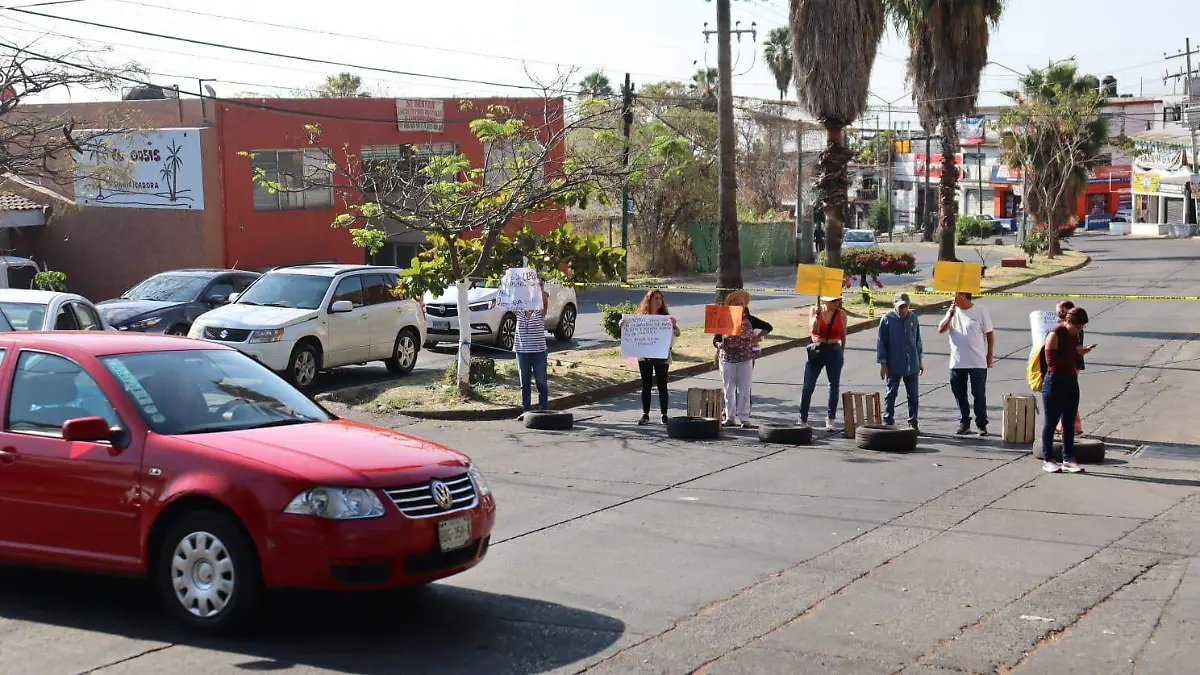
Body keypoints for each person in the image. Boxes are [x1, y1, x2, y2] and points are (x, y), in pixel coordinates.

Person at [1041, 306, 1094, 474]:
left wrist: (1080, 353)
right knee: (1051, 422)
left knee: (1069, 422)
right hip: (1054, 381)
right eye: (1078, 327)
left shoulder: (1075, 335)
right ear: (1068, 321)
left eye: (1082, 328)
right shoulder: (1054, 334)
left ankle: (1068, 458)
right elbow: (1052, 362)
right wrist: (1076, 353)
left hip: (1071, 379)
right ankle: (1048, 459)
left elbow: (1072, 356)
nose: (1079, 331)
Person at [937, 292, 995, 436]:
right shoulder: (952, 312)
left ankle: (981, 424)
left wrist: (989, 354)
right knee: (959, 394)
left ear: (962, 295)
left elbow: (989, 334)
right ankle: (964, 422)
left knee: (978, 393)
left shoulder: (981, 311)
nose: (952, 299)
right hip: (957, 362)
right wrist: (950, 315)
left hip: (977, 361)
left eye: (954, 296)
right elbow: (941, 329)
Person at [713, 290, 772, 428]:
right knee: (729, 389)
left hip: (745, 358)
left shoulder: (749, 319)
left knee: (744, 389)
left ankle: (744, 418)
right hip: (727, 358)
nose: (739, 305)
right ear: (731, 305)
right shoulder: (724, 319)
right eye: (736, 303)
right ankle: (730, 417)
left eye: (741, 303)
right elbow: (716, 338)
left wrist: (758, 338)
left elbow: (768, 327)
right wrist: (718, 344)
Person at [621, 289, 680, 425]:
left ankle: (664, 414)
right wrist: (623, 325)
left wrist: (675, 327)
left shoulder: (666, 317)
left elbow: (677, 334)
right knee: (646, 385)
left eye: (660, 299)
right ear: (649, 300)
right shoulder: (641, 317)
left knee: (662, 385)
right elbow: (631, 331)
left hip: (662, 355)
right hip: (645, 355)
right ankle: (645, 414)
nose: (659, 301)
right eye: (656, 298)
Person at [800, 295, 848, 432]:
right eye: (834, 301)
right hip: (817, 349)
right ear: (825, 301)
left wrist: (842, 351)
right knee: (808, 385)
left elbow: (844, 333)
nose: (837, 303)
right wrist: (816, 317)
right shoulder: (815, 310)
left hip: (834, 349)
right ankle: (803, 418)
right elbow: (813, 331)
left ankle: (830, 419)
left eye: (838, 300)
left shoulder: (841, 313)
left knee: (833, 386)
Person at [877, 292, 924, 431]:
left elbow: (917, 340)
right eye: (901, 307)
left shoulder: (913, 318)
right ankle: (888, 420)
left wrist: (920, 360)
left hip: (912, 363)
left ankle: (913, 422)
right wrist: (883, 364)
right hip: (894, 363)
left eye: (905, 306)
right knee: (891, 393)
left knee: (913, 395)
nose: (903, 309)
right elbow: (881, 343)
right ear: (895, 306)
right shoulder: (887, 319)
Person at [514, 288, 551, 420]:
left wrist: (538, 289)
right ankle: (526, 411)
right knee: (525, 382)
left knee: (541, 382)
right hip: (522, 351)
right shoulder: (519, 310)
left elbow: (545, 300)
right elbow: (508, 300)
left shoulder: (540, 310)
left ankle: (543, 409)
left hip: (539, 352)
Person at [1054, 300, 1084, 436]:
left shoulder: (1073, 328)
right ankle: (1064, 425)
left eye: (1061, 311)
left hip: (1071, 365)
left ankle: (1074, 426)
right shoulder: (1060, 328)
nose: (1058, 313)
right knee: (1064, 396)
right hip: (1067, 364)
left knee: (1066, 396)